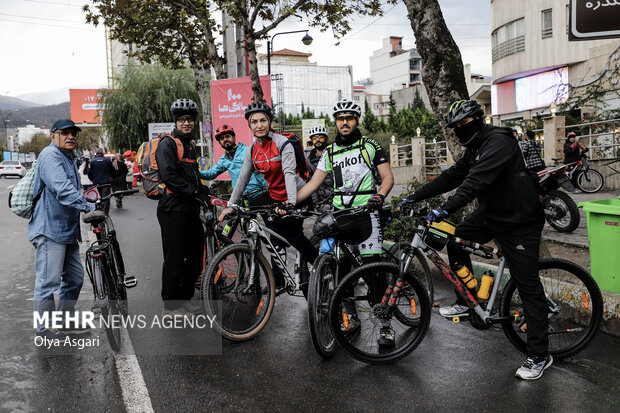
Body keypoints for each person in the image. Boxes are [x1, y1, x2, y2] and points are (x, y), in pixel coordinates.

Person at [402, 99, 550, 380]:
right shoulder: (475, 148)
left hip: (520, 221)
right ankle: (465, 297)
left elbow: (475, 182)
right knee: (456, 238)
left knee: (528, 288)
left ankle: (539, 355)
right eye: (455, 126)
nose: (460, 129)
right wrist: (415, 196)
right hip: (491, 215)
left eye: (464, 124)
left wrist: (445, 208)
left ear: (479, 120)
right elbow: (452, 177)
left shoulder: (499, 142)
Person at [296, 99, 394, 345]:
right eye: (340, 119)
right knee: (340, 269)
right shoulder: (329, 152)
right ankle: (350, 316)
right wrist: (290, 202)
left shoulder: (369, 145)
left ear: (356, 120)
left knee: (373, 270)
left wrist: (379, 196)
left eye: (349, 118)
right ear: (335, 123)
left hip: (366, 214)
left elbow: (387, 177)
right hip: (340, 216)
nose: (345, 122)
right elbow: (312, 183)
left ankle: (385, 324)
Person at [219, 101, 318, 288]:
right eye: (254, 122)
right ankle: (278, 282)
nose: (259, 125)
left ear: (269, 122)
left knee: (293, 236)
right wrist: (230, 206)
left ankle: (319, 264)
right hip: (276, 199)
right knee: (274, 240)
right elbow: (242, 180)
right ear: (249, 125)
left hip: (296, 196)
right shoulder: (252, 150)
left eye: (263, 120)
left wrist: (290, 203)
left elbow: (289, 174)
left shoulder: (282, 143)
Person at [29, 119, 101, 339]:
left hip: (67, 231)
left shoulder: (68, 157)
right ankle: (44, 331)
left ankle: (63, 323)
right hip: (50, 229)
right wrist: (89, 206)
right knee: (48, 282)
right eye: (64, 133)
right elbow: (62, 189)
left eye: (73, 133)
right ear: (53, 136)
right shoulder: (50, 156)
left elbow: (73, 189)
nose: (70, 137)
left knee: (75, 279)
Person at [155, 98, 207, 315]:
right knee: (174, 257)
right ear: (176, 121)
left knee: (196, 254)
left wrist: (206, 193)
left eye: (190, 120)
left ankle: (185, 297)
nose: (187, 123)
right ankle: (170, 304)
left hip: (190, 208)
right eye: (182, 120)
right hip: (172, 208)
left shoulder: (190, 145)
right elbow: (169, 175)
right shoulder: (167, 143)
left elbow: (194, 175)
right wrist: (194, 192)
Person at [200, 124, 269, 206]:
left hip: (260, 194)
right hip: (241, 198)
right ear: (219, 142)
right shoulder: (223, 160)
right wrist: (194, 172)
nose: (225, 139)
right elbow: (211, 174)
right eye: (222, 138)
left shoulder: (247, 150)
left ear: (234, 137)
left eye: (227, 136)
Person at [305, 125, 334, 206]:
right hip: (322, 202)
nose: (317, 140)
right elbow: (310, 183)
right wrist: (316, 202)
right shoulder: (309, 161)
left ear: (326, 138)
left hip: (338, 199)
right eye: (314, 138)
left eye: (320, 137)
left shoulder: (335, 153)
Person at [87, 148, 116, 214]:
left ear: (96, 154)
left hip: (96, 182)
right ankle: (105, 213)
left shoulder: (92, 161)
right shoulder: (108, 161)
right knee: (106, 198)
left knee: (97, 198)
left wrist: (92, 179)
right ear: (103, 153)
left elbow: (89, 172)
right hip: (106, 182)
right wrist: (114, 177)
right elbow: (112, 170)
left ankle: (98, 210)